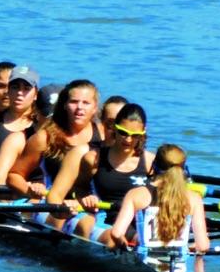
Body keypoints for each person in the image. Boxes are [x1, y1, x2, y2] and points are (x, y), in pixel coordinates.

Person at [47, 102, 155, 238]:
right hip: (107, 219)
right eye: (123, 132)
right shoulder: (93, 158)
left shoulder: (150, 162)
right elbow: (77, 188)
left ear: (143, 132)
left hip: (140, 220)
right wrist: (85, 198)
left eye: (135, 135)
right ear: (114, 128)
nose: (128, 139)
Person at [99, 144, 210, 256]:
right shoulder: (195, 199)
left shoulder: (136, 194)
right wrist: (189, 248)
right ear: (183, 169)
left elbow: (117, 233)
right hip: (177, 265)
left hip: (143, 263)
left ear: (154, 165)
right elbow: (203, 246)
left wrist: (125, 247)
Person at [6, 79, 103, 200]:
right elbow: (14, 176)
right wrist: (30, 191)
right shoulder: (44, 137)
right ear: (64, 105)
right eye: (74, 102)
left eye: (86, 103)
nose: (79, 107)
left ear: (94, 107)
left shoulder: (103, 134)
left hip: (90, 204)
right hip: (51, 202)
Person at [0, 68, 48, 184]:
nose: (20, 93)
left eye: (26, 88)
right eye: (15, 87)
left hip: (33, 190)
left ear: (35, 94)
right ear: (8, 90)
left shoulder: (42, 126)